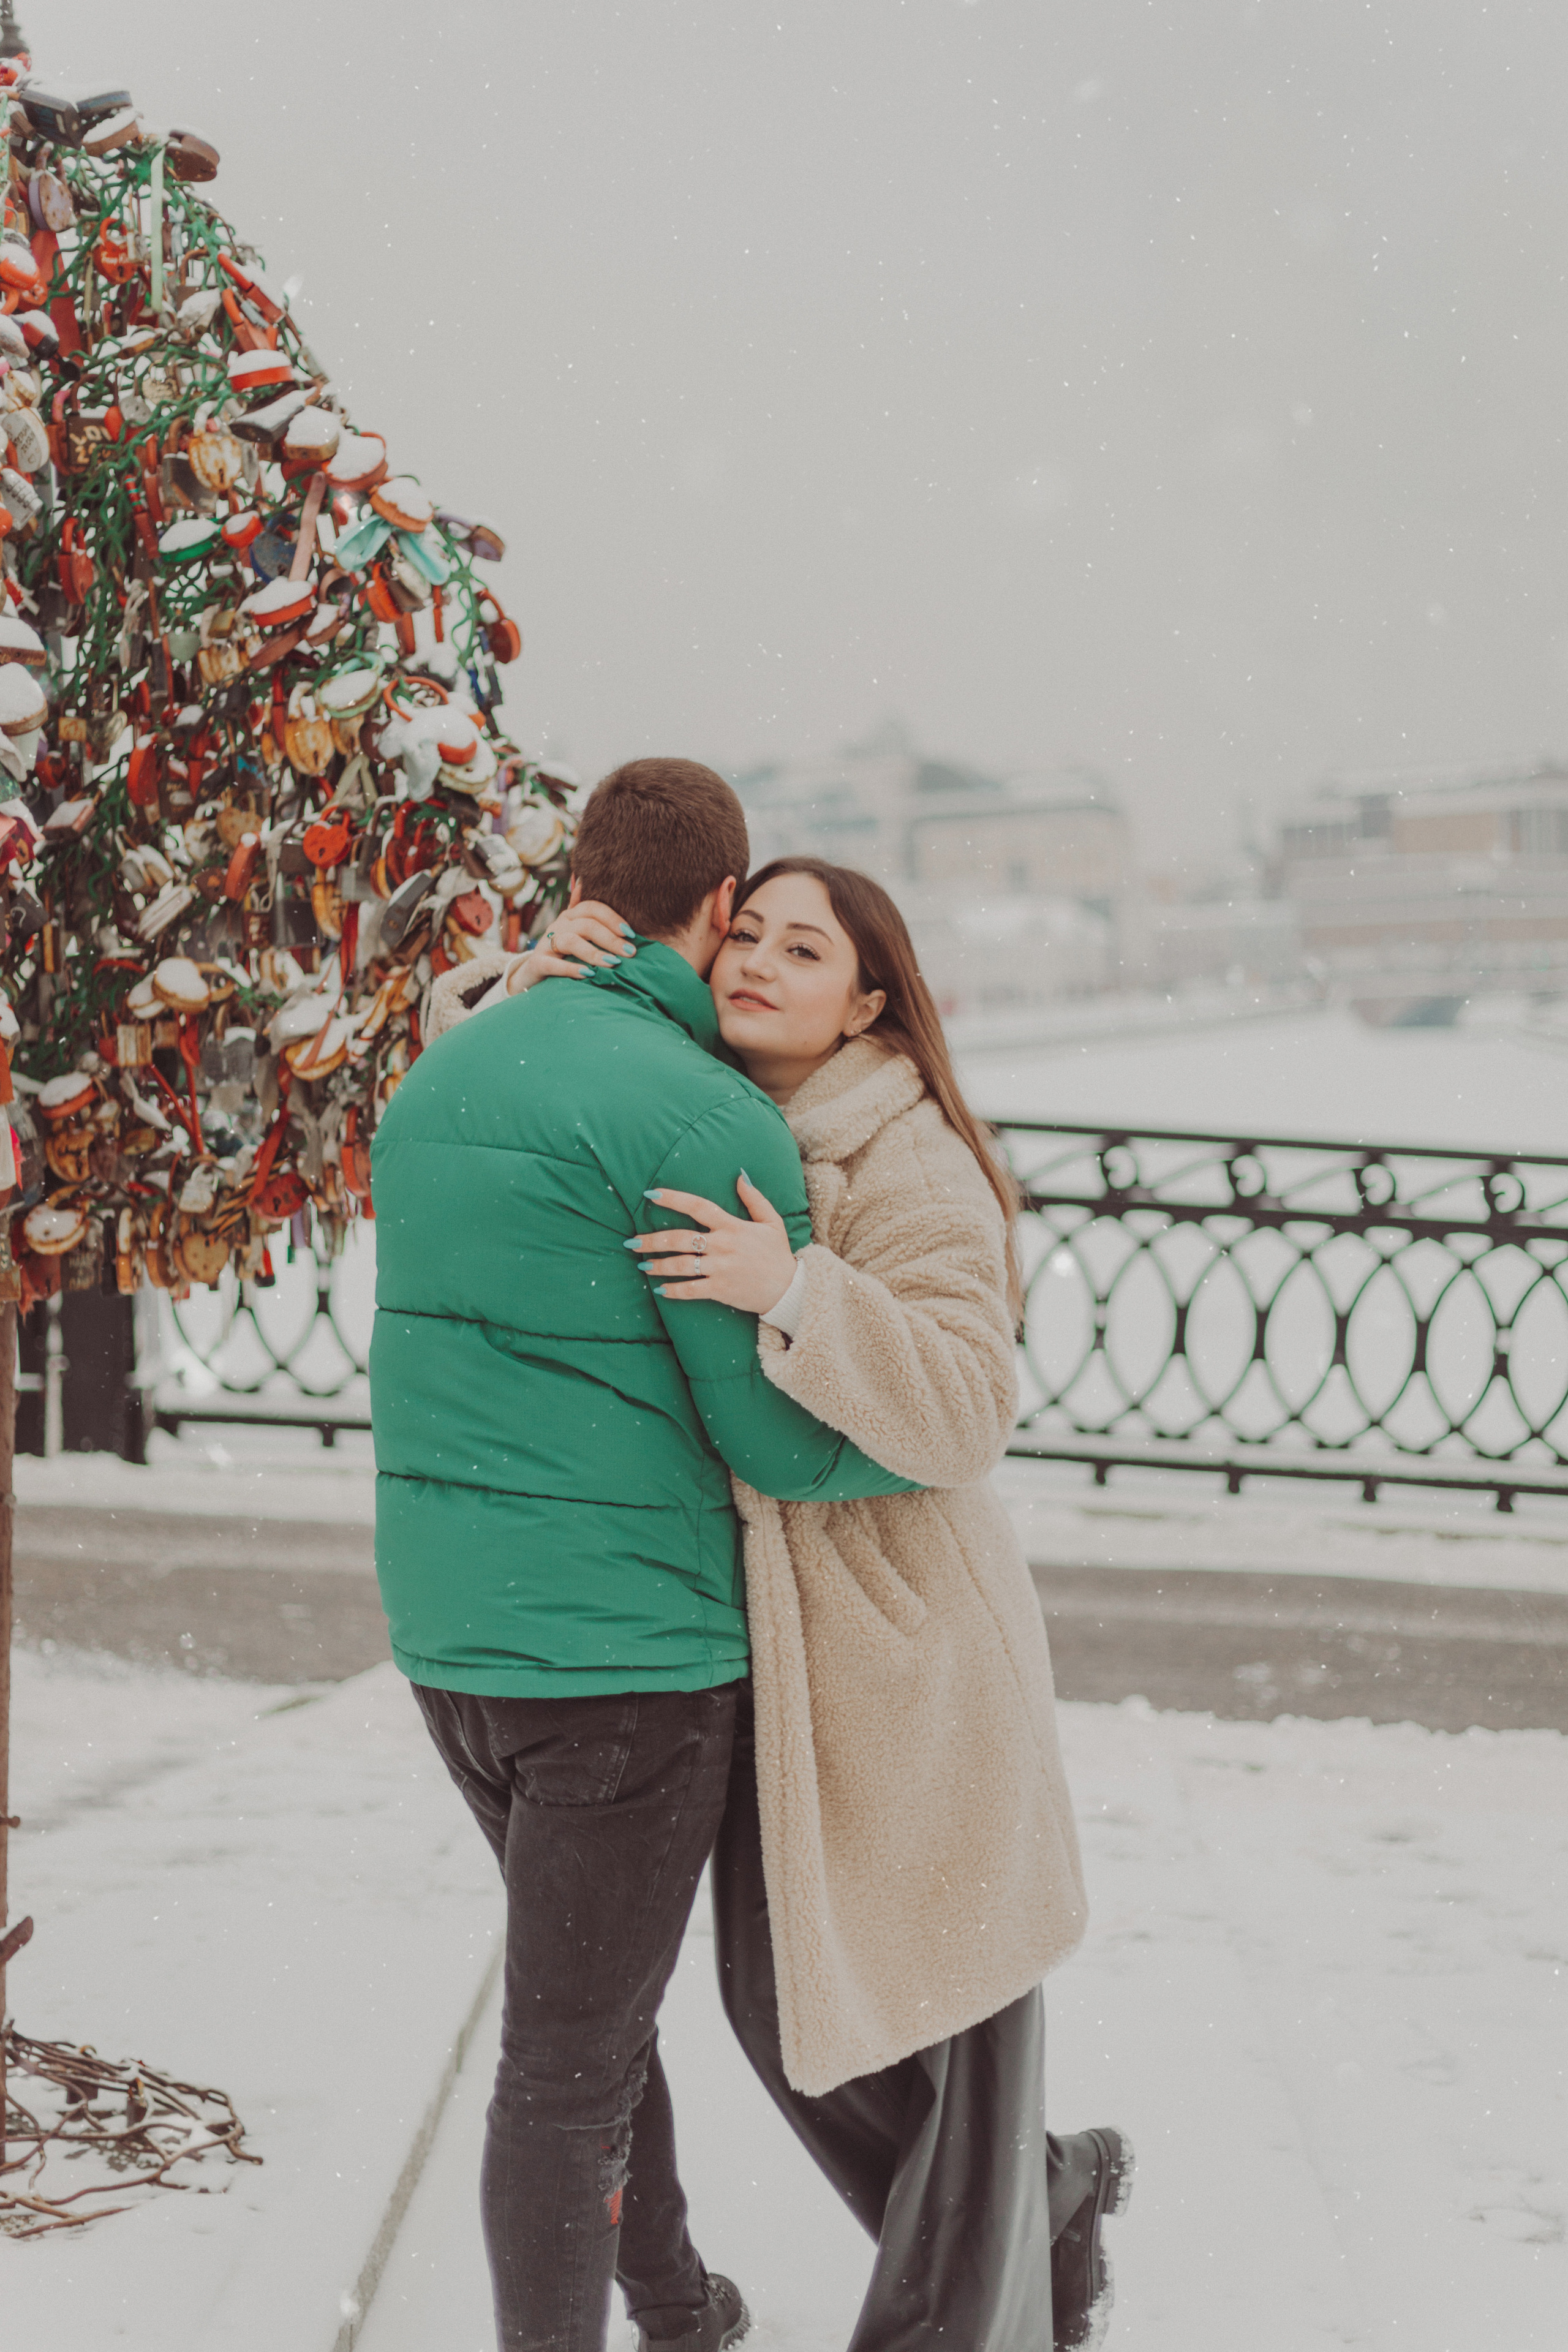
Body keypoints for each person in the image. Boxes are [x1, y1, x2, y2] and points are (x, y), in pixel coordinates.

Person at [466, 853, 1135, 2352]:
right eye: (743, 934)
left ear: (866, 1001)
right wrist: (539, 987)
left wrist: (795, 1292)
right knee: (795, 2025)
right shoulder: (688, 1090)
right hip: (755, 1653)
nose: (759, 962)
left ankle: (980, 2274)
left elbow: (966, 1407)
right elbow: (511, 1141)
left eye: (804, 948)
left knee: (940, 2011)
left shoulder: (907, 1155)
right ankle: (1035, 2195)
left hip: (905, 1653)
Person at [369, 762, 922, 2352]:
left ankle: (679, 2312)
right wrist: (919, 1441)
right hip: (625, 1668)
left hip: (455, 1638)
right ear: (721, 906)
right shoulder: (697, 1109)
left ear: (586, 881)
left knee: (583, 2023)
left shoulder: (447, 1074)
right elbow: (781, 1443)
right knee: (563, 2066)